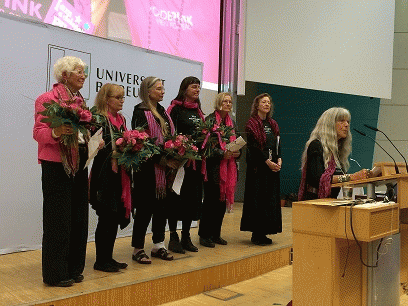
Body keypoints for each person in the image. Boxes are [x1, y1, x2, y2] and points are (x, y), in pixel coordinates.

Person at [33, 56, 90, 286]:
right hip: (56, 166)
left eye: (84, 71)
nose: (83, 75)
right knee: (58, 221)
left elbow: (82, 132)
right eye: (78, 71)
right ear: (64, 75)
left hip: (79, 164)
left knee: (78, 219)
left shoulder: (80, 101)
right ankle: (55, 274)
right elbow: (38, 132)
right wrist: (57, 132)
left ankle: (74, 268)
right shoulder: (46, 99)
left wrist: (91, 139)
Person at [131, 76, 178, 263]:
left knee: (162, 208)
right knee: (144, 209)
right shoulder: (140, 111)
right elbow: (141, 141)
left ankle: (159, 244)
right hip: (147, 169)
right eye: (158, 89)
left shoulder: (162, 111)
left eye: (163, 88)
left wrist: (176, 153)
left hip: (165, 170)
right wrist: (162, 159)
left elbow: (169, 137)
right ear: (148, 91)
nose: (162, 92)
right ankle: (137, 249)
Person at [89, 83, 131, 272]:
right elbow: (92, 147)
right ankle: (101, 261)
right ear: (107, 99)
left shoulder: (121, 119)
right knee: (106, 217)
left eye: (123, 97)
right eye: (118, 97)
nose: (122, 100)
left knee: (113, 217)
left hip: (119, 175)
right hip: (103, 173)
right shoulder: (98, 119)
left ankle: (108, 257)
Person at [166, 76, 205, 253]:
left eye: (199, 87)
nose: (197, 90)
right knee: (176, 200)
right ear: (185, 89)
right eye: (194, 87)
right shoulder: (175, 109)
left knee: (191, 200)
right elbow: (169, 135)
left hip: (195, 165)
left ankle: (186, 236)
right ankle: (173, 237)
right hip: (180, 164)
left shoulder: (199, 111)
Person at [298, 107, 369, 201]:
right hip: (315, 201)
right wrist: (351, 177)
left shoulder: (338, 150)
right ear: (329, 124)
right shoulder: (316, 145)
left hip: (332, 201)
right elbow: (317, 179)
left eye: (348, 121)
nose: (347, 125)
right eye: (342, 121)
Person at [198, 92, 240, 248]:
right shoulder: (209, 120)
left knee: (221, 204)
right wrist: (222, 153)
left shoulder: (232, 123)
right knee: (210, 202)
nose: (228, 104)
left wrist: (237, 152)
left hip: (229, 168)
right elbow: (205, 147)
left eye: (230, 101)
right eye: (225, 101)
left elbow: (238, 142)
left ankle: (216, 234)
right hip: (213, 168)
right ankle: (204, 235)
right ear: (218, 103)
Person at [240, 93, 282, 246]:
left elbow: (277, 144)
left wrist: (279, 159)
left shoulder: (273, 124)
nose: (267, 104)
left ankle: (265, 231)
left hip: (271, 169)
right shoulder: (251, 124)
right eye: (263, 102)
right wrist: (266, 162)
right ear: (256, 105)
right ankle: (256, 234)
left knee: (269, 201)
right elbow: (253, 149)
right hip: (258, 169)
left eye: (269, 102)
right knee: (258, 200)